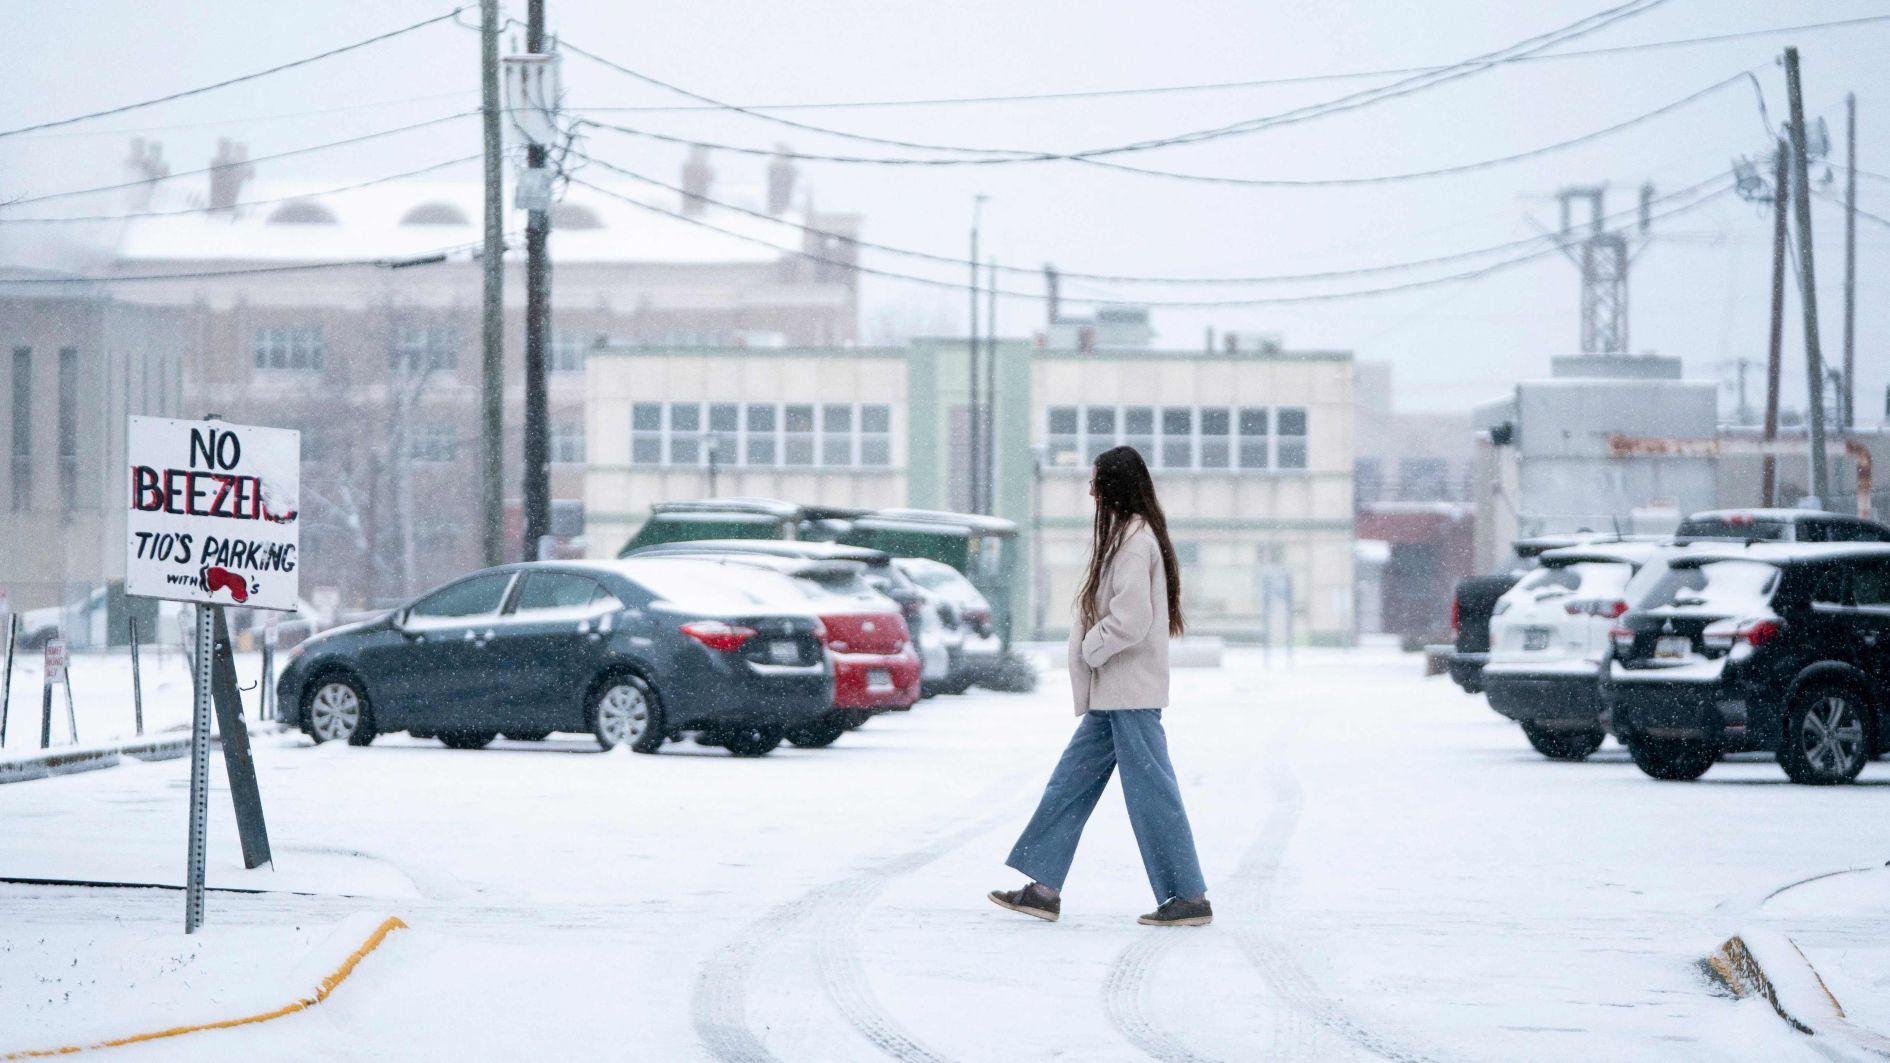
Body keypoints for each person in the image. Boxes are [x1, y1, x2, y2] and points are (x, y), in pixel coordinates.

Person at [990, 445, 1210, 927]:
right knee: (1068, 785)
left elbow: (1132, 617)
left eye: (1095, 482)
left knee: (1152, 794)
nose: (1089, 491)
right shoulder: (1127, 537)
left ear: (1113, 487)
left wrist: (1092, 647)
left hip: (1130, 694)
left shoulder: (1133, 541)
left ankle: (1188, 895)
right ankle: (1042, 888)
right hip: (1115, 696)